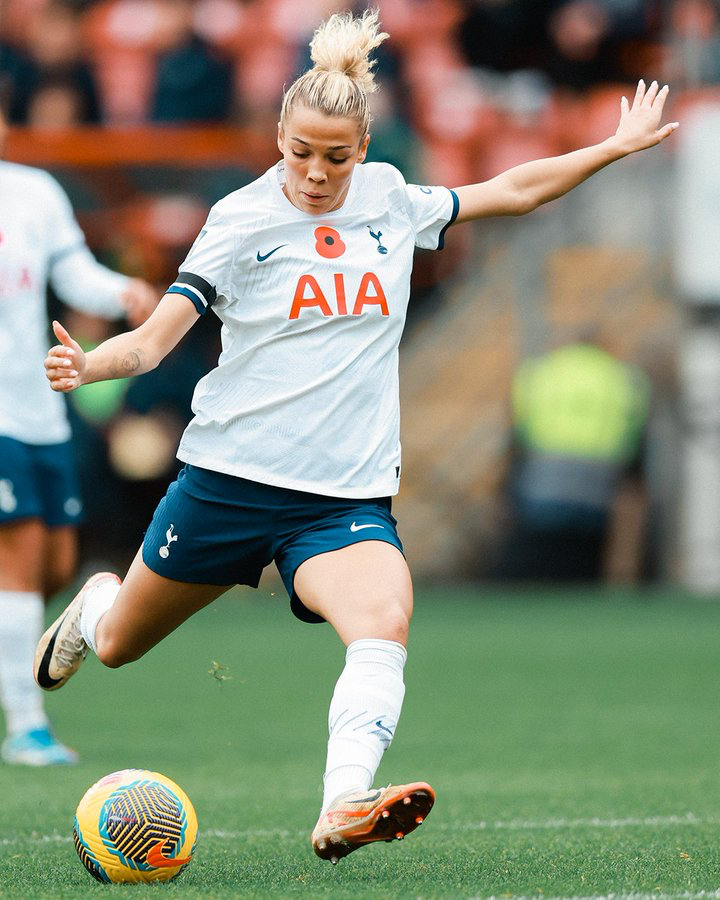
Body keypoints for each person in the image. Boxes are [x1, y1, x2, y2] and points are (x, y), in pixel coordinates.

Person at [35, 9, 677, 863]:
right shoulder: (239, 219)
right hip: (227, 481)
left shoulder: (390, 200)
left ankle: (343, 803)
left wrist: (611, 147)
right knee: (117, 649)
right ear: (279, 136)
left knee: (385, 618)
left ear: (364, 147)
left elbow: (512, 191)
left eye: (335, 156)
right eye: (300, 151)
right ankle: (98, 604)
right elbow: (154, 341)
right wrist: (93, 367)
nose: (314, 171)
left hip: (340, 495)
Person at [0, 104, 156, 766]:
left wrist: (124, 292)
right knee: (20, 555)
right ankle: (26, 725)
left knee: (57, 565)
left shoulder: (34, 192)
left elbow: (72, 274)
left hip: (38, 405)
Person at [496, 334, 651, 581]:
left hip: (544, 480)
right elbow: (635, 441)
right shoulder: (624, 377)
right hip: (599, 482)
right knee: (582, 562)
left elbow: (518, 434)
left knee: (536, 559)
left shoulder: (541, 371)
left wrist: (506, 486)